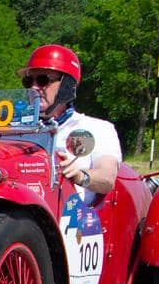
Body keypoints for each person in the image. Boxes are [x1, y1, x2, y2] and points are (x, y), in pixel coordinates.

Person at [19, 44, 122, 196]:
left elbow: (107, 178)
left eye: (42, 80)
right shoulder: (14, 129)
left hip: (75, 216)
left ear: (67, 85)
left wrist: (80, 175)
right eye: (28, 81)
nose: (33, 87)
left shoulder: (98, 129)